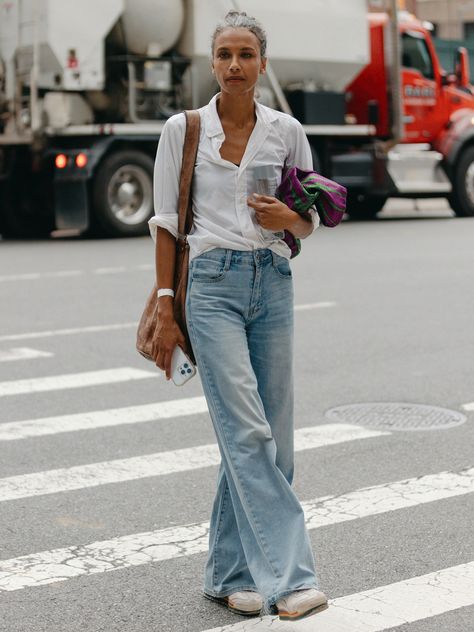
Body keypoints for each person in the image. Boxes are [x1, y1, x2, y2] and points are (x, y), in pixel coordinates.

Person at [149, 10, 328, 622]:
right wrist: (167, 308)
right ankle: (291, 577)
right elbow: (167, 226)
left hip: (273, 282)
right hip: (212, 287)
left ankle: (227, 572)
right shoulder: (184, 128)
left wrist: (291, 220)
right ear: (212, 62)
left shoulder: (288, 132)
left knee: (272, 443)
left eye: (246, 54)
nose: (234, 65)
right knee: (247, 432)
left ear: (263, 63)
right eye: (224, 54)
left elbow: (307, 219)